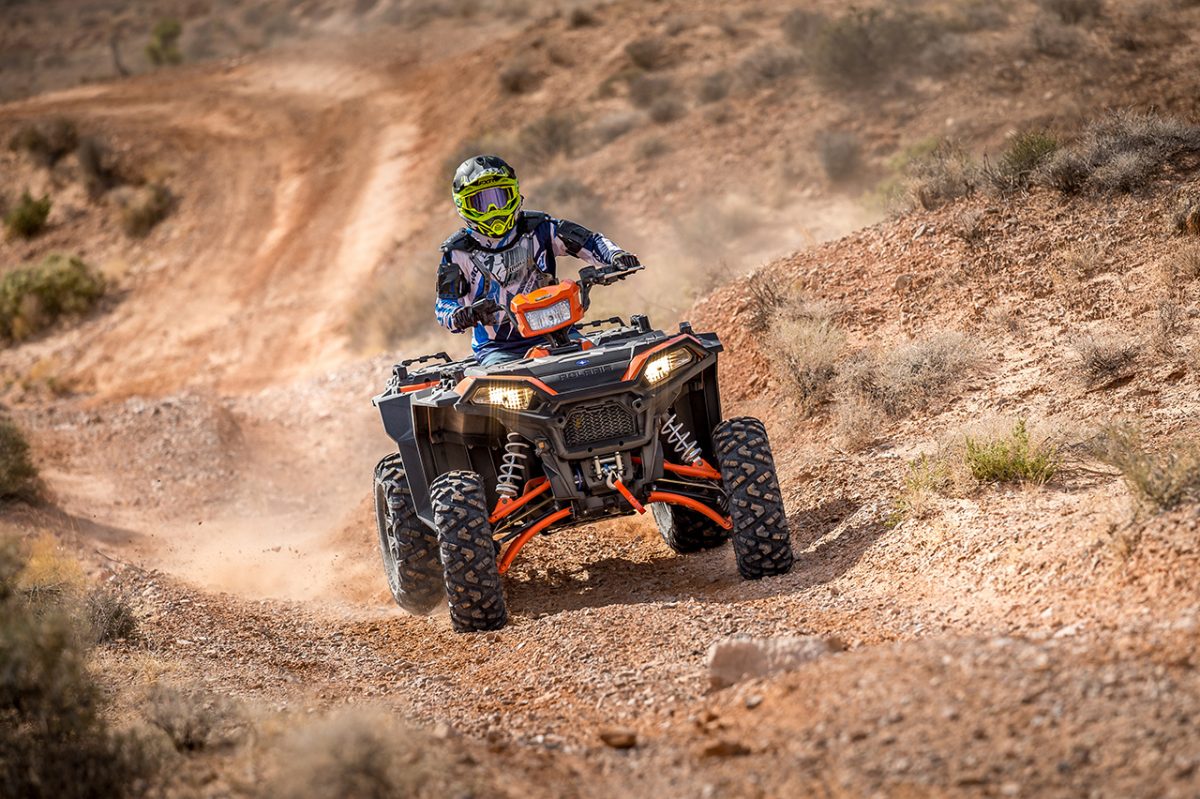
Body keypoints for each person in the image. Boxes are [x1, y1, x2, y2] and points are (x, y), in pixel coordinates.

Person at [435, 155, 641, 366]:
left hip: (561, 332)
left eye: (499, 198)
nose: (493, 210)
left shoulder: (540, 227)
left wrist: (616, 256)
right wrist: (460, 314)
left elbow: (590, 241)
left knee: (602, 370)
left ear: (514, 193)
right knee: (502, 394)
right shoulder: (456, 252)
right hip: (500, 349)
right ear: (464, 205)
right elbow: (444, 305)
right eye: (482, 203)